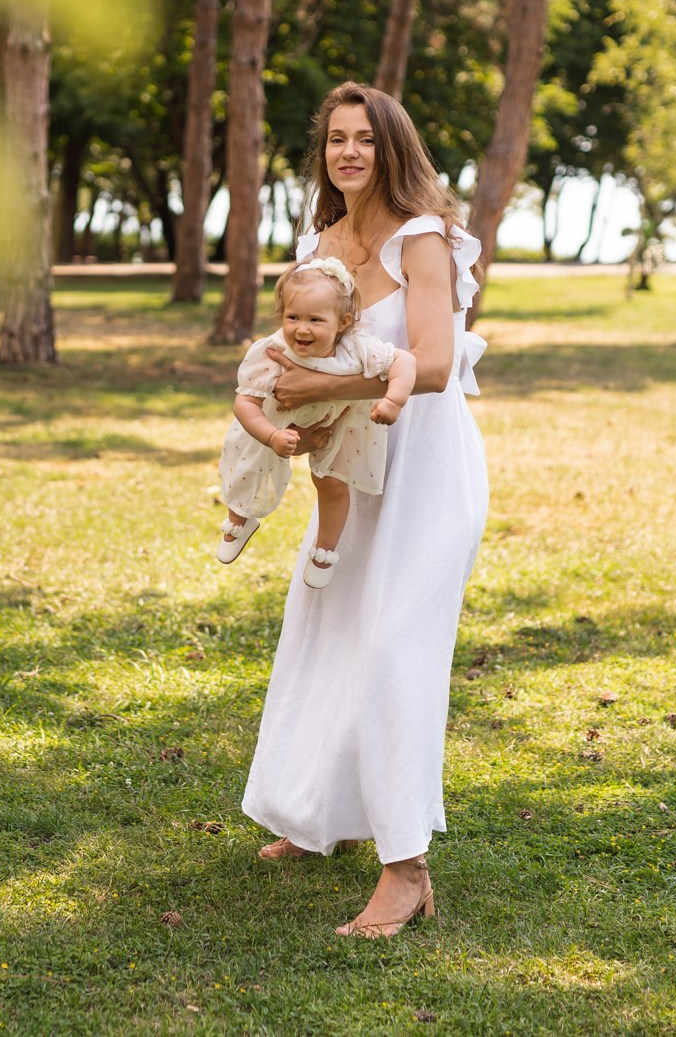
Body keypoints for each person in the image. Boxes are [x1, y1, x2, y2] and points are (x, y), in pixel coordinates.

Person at [239, 80, 489, 939]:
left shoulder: (425, 239)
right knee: (324, 629)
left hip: (425, 465)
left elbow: (434, 359)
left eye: (367, 139)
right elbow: (320, 349)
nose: (350, 152)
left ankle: (406, 867)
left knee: (391, 648)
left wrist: (328, 384)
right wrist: (298, 416)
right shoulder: (324, 243)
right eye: (337, 139)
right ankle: (315, 814)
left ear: (393, 148)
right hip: (355, 464)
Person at [214, 257, 417, 589]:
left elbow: (405, 361)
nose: (301, 328)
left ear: (344, 322)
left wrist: (393, 399)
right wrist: (271, 435)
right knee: (250, 466)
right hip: (273, 422)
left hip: (340, 423)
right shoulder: (271, 353)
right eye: (292, 317)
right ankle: (239, 519)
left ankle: (325, 549)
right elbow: (245, 402)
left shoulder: (357, 348)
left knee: (333, 483)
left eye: (315, 319)